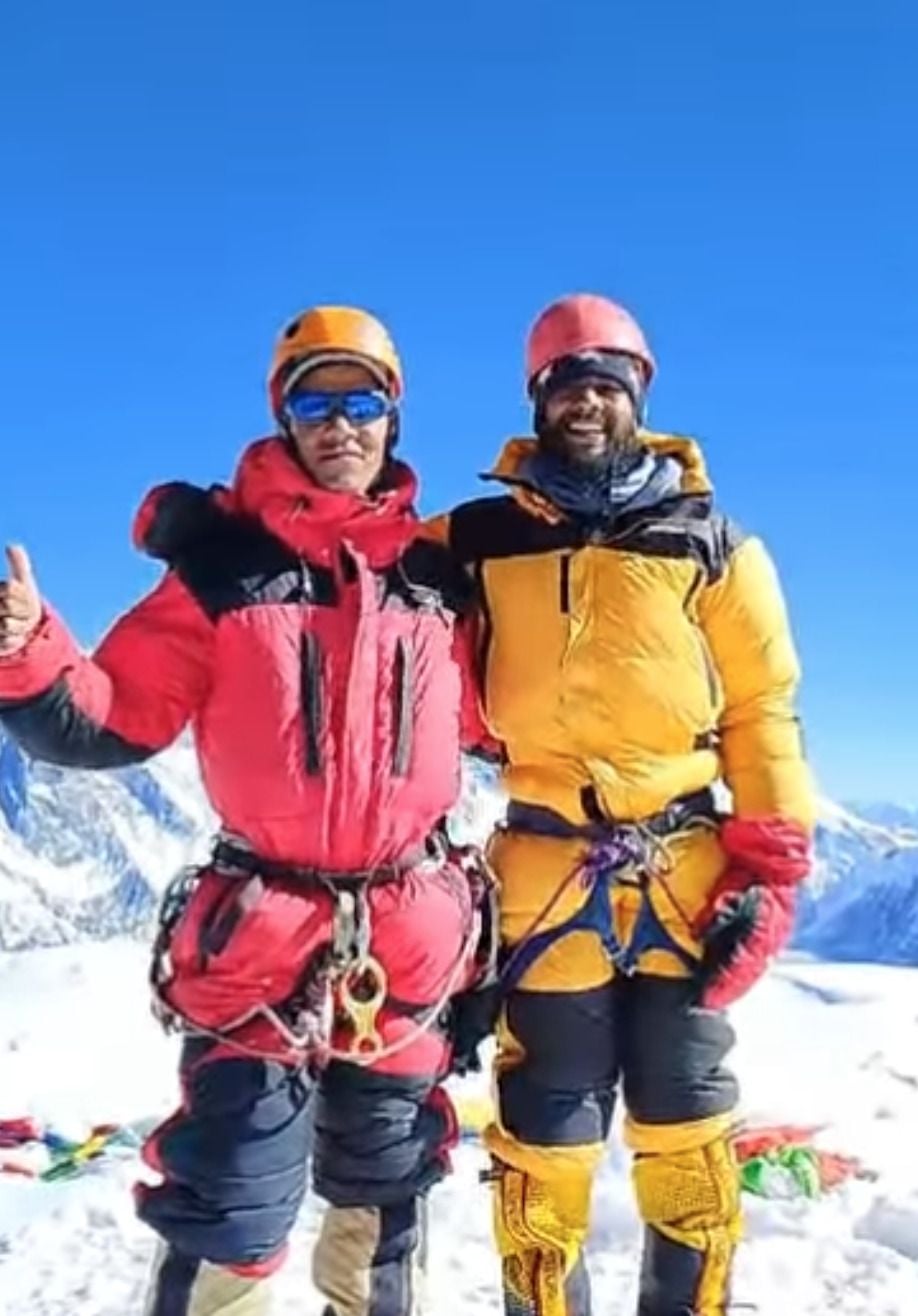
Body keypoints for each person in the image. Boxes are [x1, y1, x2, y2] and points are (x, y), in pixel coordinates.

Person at [0, 305, 495, 1316]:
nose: (341, 422)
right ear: (285, 417)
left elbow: (514, 716)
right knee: (231, 1192)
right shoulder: (224, 573)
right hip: (265, 942)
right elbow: (110, 718)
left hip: (406, 942)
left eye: (363, 400)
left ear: (393, 419)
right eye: (316, 399)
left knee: (388, 1186)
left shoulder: (440, 582)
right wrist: (26, 646)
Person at [426, 293, 816, 1316]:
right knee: (541, 1133)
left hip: (688, 873)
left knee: (688, 1123)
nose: (585, 400)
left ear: (639, 392)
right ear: (538, 397)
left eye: (607, 380)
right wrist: (230, 532)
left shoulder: (714, 544)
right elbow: (355, 553)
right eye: (565, 382)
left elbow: (764, 710)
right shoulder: (475, 537)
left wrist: (770, 870)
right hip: (546, 869)